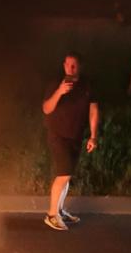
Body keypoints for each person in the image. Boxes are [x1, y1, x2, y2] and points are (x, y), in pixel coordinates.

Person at [39, 53, 97, 231]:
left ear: (80, 66)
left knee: (67, 174)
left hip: (75, 136)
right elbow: (46, 109)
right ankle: (51, 215)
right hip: (58, 135)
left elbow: (93, 110)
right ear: (63, 65)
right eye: (68, 65)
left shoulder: (87, 85)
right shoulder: (56, 84)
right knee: (63, 173)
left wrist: (93, 136)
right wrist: (59, 92)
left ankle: (60, 210)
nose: (70, 69)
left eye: (74, 65)